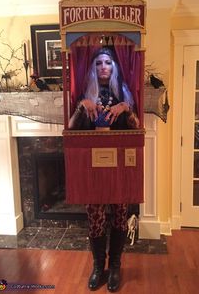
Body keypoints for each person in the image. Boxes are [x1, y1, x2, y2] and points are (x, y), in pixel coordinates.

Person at [69, 47, 139, 292]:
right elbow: (70, 131)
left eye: (108, 62)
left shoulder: (124, 93)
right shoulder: (86, 95)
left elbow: (138, 128)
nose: (103, 67)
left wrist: (126, 108)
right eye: (98, 63)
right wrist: (81, 106)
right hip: (92, 169)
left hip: (119, 167)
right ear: (93, 68)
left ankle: (116, 266)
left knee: (120, 216)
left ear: (114, 67)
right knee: (95, 220)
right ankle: (99, 267)